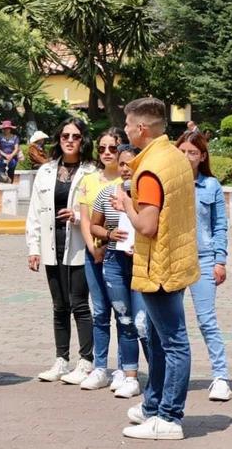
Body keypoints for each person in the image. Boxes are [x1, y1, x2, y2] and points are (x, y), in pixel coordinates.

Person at [114, 97, 199, 440]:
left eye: (129, 125)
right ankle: (153, 405)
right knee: (159, 337)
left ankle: (169, 416)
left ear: (142, 129)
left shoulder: (149, 169)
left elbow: (147, 225)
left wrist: (125, 204)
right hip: (176, 260)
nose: (126, 130)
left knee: (173, 342)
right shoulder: (174, 157)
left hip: (159, 266)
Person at [25, 117, 95, 383]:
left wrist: (77, 215)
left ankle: (86, 361)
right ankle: (61, 360)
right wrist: (33, 247)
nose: (69, 140)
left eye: (75, 136)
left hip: (79, 245)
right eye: (65, 135)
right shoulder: (46, 171)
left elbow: (97, 209)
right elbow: (34, 211)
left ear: (83, 140)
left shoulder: (91, 171)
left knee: (79, 304)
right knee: (59, 305)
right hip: (52, 246)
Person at [176, 130, 232, 402]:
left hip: (203, 259)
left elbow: (220, 225)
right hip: (173, 260)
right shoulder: (169, 183)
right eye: (182, 151)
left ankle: (220, 376)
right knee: (170, 323)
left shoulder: (211, 186)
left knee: (206, 320)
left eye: (192, 152)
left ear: (202, 157)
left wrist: (220, 260)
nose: (187, 157)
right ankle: (174, 377)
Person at [90, 144, 149, 398]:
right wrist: (109, 234)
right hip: (114, 261)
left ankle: (158, 375)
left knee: (142, 323)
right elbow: (94, 226)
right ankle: (130, 376)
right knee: (124, 320)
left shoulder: (147, 194)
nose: (126, 169)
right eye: (123, 164)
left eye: (131, 164)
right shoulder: (106, 194)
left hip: (141, 262)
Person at [76, 129, 124, 391]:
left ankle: (124, 369)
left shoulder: (127, 181)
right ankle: (100, 366)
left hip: (119, 255)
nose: (107, 153)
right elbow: (85, 219)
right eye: (102, 148)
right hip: (93, 253)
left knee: (123, 313)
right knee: (100, 312)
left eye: (112, 148)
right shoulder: (90, 180)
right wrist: (93, 248)